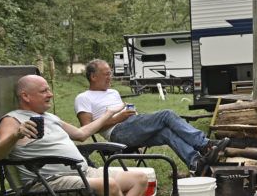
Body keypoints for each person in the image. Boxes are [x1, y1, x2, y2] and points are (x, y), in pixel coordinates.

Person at [0, 75, 148, 196]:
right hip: (50, 181)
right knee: (109, 185)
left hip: (83, 173)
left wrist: (108, 114)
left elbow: (81, 134)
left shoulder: (50, 117)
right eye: (44, 91)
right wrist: (16, 134)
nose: (50, 94)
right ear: (25, 96)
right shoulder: (12, 120)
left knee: (139, 178)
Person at [75, 59, 228, 177]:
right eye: (106, 74)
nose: (111, 77)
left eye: (110, 73)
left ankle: (195, 163)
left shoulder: (113, 92)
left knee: (166, 132)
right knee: (166, 114)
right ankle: (204, 145)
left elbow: (128, 118)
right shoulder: (83, 98)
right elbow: (86, 130)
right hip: (117, 133)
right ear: (93, 76)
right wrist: (118, 118)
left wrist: (133, 121)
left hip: (133, 128)